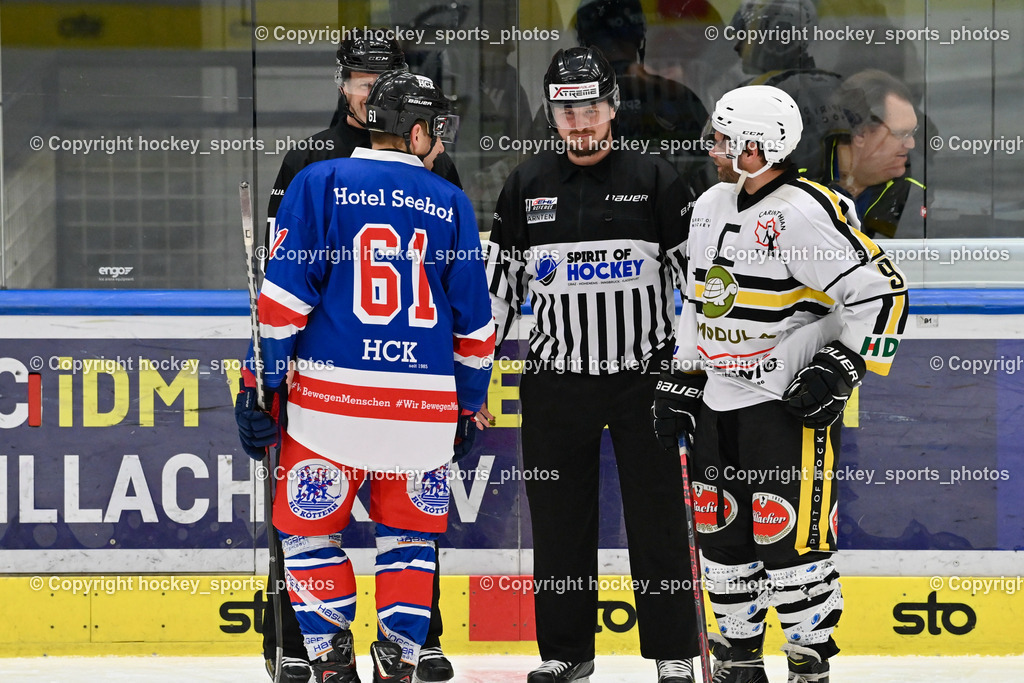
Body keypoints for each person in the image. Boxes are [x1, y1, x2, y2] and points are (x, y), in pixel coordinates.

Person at [236, 70, 494, 683]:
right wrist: (467, 404)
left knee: (308, 533)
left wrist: (264, 385)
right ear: (413, 129)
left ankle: (328, 654)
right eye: (437, 125)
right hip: (422, 411)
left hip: (330, 408)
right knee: (408, 538)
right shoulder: (450, 202)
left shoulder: (318, 181)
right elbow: (475, 327)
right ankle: (401, 654)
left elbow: (281, 306)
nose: (441, 137)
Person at [652, 85, 908, 683]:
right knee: (722, 543)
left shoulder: (804, 211)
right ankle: (738, 659)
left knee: (790, 545)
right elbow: (696, 300)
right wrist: (684, 376)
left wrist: (845, 366)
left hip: (784, 408)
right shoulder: (712, 204)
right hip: (719, 403)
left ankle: (808, 659)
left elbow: (882, 291)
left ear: (757, 147)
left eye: (723, 138)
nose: (712, 148)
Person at [485, 46, 700, 683]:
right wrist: (472, 370)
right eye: (565, 109)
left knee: (659, 519)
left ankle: (673, 657)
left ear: (611, 108)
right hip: (556, 384)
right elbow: (500, 289)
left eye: (589, 107)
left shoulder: (658, 177)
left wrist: (691, 368)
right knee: (558, 522)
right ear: (551, 114)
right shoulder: (526, 184)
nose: (578, 120)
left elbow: (695, 284)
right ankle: (566, 653)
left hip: (645, 379)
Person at [822, 69, 925, 239]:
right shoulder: (800, 177)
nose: (911, 144)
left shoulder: (913, 188)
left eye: (913, 132)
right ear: (860, 133)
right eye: (901, 134)